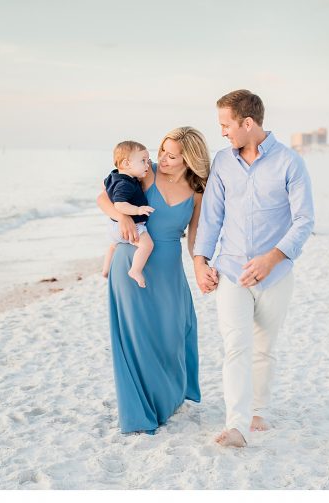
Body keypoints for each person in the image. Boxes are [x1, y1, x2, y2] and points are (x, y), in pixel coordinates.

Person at [193, 89, 314, 448]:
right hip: (231, 271)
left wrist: (271, 259)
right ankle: (237, 425)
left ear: (248, 123)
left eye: (226, 124)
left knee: (264, 347)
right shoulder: (222, 162)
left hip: (275, 274)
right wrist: (201, 262)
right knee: (236, 346)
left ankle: (258, 409)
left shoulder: (290, 163)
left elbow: (304, 220)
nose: (223, 132)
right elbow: (211, 217)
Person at [97, 127, 211, 434]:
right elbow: (102, 197)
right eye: (162, 151)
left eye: (171, 156)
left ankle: (168, 397)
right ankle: (141, 409)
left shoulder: (198, 190)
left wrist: (200, 266)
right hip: (132, 263)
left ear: (190, 159)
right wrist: (121, 217)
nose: (162, 159)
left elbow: (195, 235)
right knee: (138, 338)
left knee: (174, 331)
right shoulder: (146, 173)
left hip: (170, 268)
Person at [101, 141, 156, 288]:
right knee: (147, 245)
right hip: (131, 227)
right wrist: (137, 210)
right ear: (126, 163)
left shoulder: (113, 176)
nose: (147, 165)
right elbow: (119, 204)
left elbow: (104, 187)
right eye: (143, 161)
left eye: (148, 160)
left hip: (113, 226)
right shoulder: (126, 184)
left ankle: (106, 269)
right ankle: (135, 270)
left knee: (113, 246)